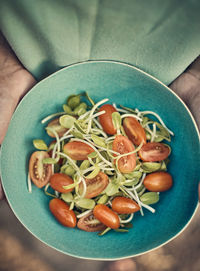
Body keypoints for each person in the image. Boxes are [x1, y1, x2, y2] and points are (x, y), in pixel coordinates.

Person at [0, 1, 200, 270]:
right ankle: (102, 263)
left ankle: (127, 254)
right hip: (27, 61)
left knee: (172, 217)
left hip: (177, 79)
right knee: (61, 250)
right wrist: (5, 67)